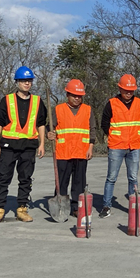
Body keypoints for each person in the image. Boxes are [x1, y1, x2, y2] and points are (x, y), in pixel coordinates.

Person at [0, 66, 47, 224]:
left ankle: (22, 209)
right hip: (8, 145)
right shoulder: (7, 100)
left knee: (25, 178)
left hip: (28, 146)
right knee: (3, 177)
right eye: (23, 81)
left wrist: (42, 144)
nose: (27, 83)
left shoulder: (37, 101)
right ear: (17, 82)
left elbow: (41, 124)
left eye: (29, 81)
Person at [46, 79, 95, 218]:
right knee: (62, 181)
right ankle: (61, 205)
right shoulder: (58, 109)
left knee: (79, 182)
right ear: (67, 94)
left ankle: (76, 207)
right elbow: (50, 128)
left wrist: (90, 147)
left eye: (79, 96)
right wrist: (49, 134)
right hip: (63, 152)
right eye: (74, 95)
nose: (77, 98)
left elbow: (92, 130)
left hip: (81, 152)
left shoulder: (88, 110)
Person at [99, 74, 140, 218]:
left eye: (131, 90)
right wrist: (114, 136)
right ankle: (106, 206)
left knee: (133, 178)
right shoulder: (112, 103)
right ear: (120, 89)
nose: (128, 93)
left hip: (134, 146)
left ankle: (134, 206)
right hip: (116, 146)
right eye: (126, 90)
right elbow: (104, 123)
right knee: (111, 178)